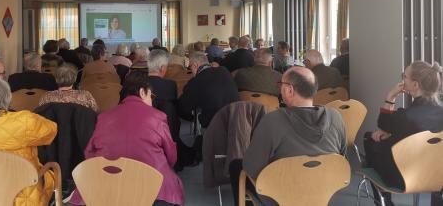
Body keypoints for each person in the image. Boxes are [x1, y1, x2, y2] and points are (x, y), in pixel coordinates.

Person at [229, 67, 347, 206]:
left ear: (289, 90)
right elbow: (341, 157)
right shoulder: (336, 117)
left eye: (281, 84)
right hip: (324, 189)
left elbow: (251, 168)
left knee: (236, 166)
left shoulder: (272, 121)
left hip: (280, 194)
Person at [69, 71, 184, 206]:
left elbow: (90, 153)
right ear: (142, 92)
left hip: (108, 185)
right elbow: (171, 156)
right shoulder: (157, 116)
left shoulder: (104, 117)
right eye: (151, 96)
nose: (152, 100)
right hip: (151, 187)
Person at [364, 61, 443, 206]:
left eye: (404, 76)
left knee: (369, 139)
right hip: (436, 174)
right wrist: (392, 135)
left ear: (415, 85)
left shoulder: (405, 117)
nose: (402, 80)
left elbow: (382, 123)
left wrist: (391, 96)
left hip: (403, 177)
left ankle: (385, 202)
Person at [178, 52, 239, 129]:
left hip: (214, 125)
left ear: (195, 65)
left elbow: (183, 107)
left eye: (190, 67)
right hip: (236, 119)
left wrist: (192, 118)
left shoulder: (196, 81)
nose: (191, 71)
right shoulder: (224, 71)